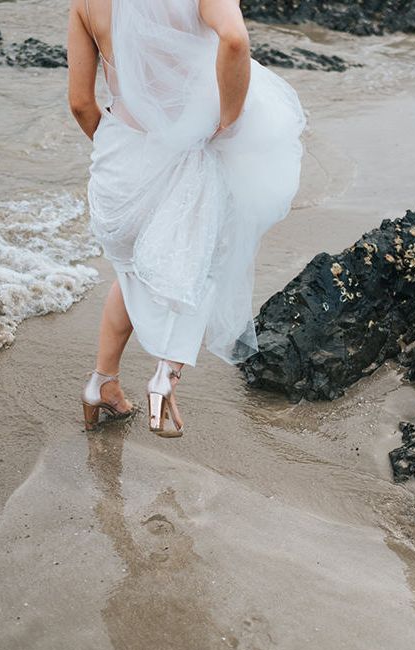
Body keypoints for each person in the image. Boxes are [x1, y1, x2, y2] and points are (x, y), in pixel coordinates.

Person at [67, 0, 305, 436]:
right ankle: (166, 375)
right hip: (189, 152)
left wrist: (119, 147)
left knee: (135, 272)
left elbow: (82, 103)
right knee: (202, 268)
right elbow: (234, 39)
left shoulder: (84, 2)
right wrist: (228, 119)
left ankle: (101, 383)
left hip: (119, 165)